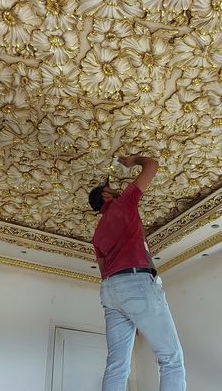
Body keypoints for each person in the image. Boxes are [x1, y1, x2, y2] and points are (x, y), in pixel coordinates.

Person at [88, 155, 186, 391]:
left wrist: (134, 314)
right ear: (105, 196)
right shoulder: (123, 204)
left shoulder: (97, 235)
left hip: (111, 293)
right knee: (171, 359)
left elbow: (104, 274)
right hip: (136, 284)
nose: (116, 189)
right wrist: (133, 161)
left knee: (117, 365)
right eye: (112, 187)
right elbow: (153, 164)